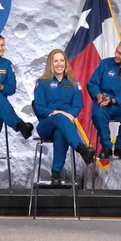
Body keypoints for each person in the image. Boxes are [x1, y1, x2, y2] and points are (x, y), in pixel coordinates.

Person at [34, 49, 95, 185]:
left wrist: (66, 115)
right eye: (56, 61)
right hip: (46, 124)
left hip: (65, 126)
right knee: (59, 118)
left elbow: (78, 106)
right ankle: (81, 148)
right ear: (50, 63)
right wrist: (60, 113)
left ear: (66, 63)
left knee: (60, 132)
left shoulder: (74, 83)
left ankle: (55, 174)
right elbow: (39, 107)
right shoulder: (42, 82)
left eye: (62, 60)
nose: (59, 64)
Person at [87, 38, 121, 160]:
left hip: (120, 105)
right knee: (98, 114)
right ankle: (106, 147)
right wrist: (98, 95)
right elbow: (92, 83)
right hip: (101, 103)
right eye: (117, 51)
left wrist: (113, 100)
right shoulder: (104, 64)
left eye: (120, 54)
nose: (116, 55)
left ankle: (120, 148)